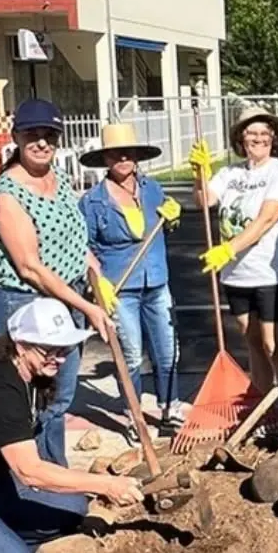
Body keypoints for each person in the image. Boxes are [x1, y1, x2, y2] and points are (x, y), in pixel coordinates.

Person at [0, 298, 143, 553]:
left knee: (72, 511)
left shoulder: (32, 375)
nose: (60, 358)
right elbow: (29, 471)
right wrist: (105, 485)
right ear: (20, 344)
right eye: (49, 350)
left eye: (65, 349)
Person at [0, 98, 115, 468]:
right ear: (16, 137)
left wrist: (93, 271)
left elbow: (73, 236)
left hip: (66, 300)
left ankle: (54, 477)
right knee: (21, 402)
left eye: (49, 135)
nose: (42, 142)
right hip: (24, 306)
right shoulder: (8, 194)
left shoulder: (58, 180)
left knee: (57, 399)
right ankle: (18, 484)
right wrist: (87, 307)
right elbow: (30, 267)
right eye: (32, 135)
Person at [190, 107, 278, 415]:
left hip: (272, 274)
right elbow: (203, 202)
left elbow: (267, 218)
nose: (258, 138)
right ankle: (264, 412)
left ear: (274, 138)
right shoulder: (230, 174)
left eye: (265, 133)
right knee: (253, 343)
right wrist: (199, 175)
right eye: (251, 132)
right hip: (236, 276)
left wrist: (229, 248)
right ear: (240, 137)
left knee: (275, 348)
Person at [78, 123, 184, 438]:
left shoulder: (152, 188)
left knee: (168, 352)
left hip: (158, 283)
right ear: (105, 158)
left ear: (137, 156)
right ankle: (133, 417)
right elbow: (83, 246)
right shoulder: (93, 201)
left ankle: (170, 409)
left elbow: (164, 226)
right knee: (131, 355)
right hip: (120, 290)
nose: (123, 157)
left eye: (129, 152)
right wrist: (98, 280)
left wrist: (173, 218)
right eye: (115, 153)